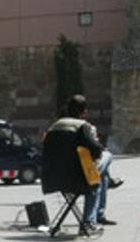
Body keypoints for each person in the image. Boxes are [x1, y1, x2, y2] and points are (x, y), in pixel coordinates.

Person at [42, 94, 112, 233]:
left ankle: (98, 211)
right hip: (77, 179)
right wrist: (98, 148)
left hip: (53, 179)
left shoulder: (53, 127)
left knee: (100, 176)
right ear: (84, 111)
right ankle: (88, 222)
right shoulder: (82, 127)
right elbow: (96, 149)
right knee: (107, 157)